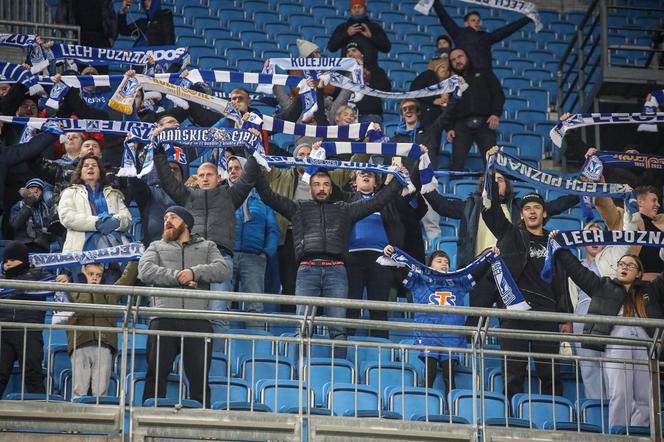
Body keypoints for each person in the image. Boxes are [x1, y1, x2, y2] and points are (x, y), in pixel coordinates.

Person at [245, 157, 409, 349]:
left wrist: (398, 179)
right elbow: (267, 195)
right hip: (307, 270)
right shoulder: (298, 209)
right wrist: (254, 160)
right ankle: (301, 374)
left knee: (339, 331)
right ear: (311, 188)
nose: (321, 188)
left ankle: (339, 373)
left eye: (325, 184)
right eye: (316, 184)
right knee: (303, 329)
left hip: (337, 271)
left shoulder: (344, 209)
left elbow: (378, 201)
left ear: (332, 188)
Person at [482, 150, 571, 400]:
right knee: (513, 375)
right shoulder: (510, 235)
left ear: (545, 214)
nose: (532, 212)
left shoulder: (556, 242)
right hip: (515, 312)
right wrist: (490, 171)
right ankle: (510, 422)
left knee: (550, 375)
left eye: (537, 208)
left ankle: (554, 424)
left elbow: (561, 282)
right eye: (527, 208)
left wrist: (565, 316)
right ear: (521, 214)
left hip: (547, 313)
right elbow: (489, 209)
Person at [151, 131, 254, 346]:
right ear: (196, 179)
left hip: (220, 260)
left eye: (210, 174)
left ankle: (215, 361)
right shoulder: (186, 196)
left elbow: (249, 177)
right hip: (191, 259)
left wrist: (253, 145)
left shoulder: (230, 196)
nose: (205, 178)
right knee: (190, 315)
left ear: (219, 177)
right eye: (201, 175)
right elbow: (167, 179)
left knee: (218, 312)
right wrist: (159, 148)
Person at [553, 248, 664, 427]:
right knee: (620, 392)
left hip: (645, 345)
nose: (624, 267)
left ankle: (639, 433)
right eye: (621, 264)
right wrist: (561, 250)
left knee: (644, 396)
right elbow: (578, 272)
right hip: (617, 342)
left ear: (639, 273)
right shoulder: (603, 286)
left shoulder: (650, 290)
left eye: (630, 265)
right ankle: (618, 433)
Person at [138, 205, 228, 406]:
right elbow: (144, 270)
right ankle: (148, 419)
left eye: (173, 217)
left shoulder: (207, 246)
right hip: (163, 317)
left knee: (199, 380)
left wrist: (194, 272)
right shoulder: (155, 246)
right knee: (155, 375)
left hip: (197, 320)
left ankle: (200, 424)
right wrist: (178, 277)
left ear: (186, 223)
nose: (167, 221)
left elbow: (222, 269)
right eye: (165, 218)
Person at [382, 246, 494, 394]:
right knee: (430, 375)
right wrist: (391, 255)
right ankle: (426, 406)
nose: (444, 264)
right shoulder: (420, 281)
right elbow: (400, 271)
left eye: (446, 262)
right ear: (429, 266)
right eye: (439, 261)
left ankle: (451, 412)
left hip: (451, 337)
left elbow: (476, 274)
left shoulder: (458, 282)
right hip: (429, 335)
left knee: (449, 378)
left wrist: (488, 259)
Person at [563, 217, 637, 400]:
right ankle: (597, 414)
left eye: (599, 235)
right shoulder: (575, 266)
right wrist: (569, 320)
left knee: (613, 368)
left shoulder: (613, 255)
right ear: (581, 241)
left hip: (610, 313)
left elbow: (630, 235)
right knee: (589, 369)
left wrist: (630, 214)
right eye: (590, 235)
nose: (595, 239)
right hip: (582, 318)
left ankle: (617, 415)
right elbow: (569, 298)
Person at [343, 169, 408, 338]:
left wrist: (402, 177)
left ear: (376, 183)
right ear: (354, 182)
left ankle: (380, 350)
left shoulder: (386, 202)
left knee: (379, 308)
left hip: (381, 260)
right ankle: (345, 346)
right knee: (351, 306)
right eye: (361, 174)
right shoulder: (345, 200)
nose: (366, 176)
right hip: (352, 259)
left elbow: (404, 217)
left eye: (370, 175)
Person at [0, 242, 68, 397]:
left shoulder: (40, 276)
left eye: (11, 259)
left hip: (29, 331)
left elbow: (57, 283)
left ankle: (41, 418)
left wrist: (64, 278)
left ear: (22, 259)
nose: (7, 263)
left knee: (33, 376)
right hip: (3, 331)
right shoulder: (1, 280)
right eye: (5, 260)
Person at [65, 261, 138, 398]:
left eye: (98, 275)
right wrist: (63, 283)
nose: (94, 278)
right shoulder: (73, 292)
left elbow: (126, 280)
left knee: (101, 391)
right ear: (83, 274)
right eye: (91, 274)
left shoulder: (109, 294)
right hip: (80, 343)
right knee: (79, 390)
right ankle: (77, 418)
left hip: (104, 344)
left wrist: (135, 260)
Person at [591, 149, 664, 280]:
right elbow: (602, 203)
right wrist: (597, 174)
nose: (658, 205)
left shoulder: (662, 220)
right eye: (654, 200)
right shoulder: (620, 216)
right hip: (631, 286)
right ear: (639, 202)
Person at [227, 156, 280, 327]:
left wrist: (266, 253)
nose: (233, 171)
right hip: (227, 256)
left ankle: (254, 350)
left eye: (237, 167)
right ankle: (218, 350)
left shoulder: (263, 200)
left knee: (255, 307)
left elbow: (273, 230)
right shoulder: (222, 196)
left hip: (254, 258)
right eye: (230, 169)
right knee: (221, 305)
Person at [57, 154, 132, 252]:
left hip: (116, 245)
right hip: (81, 249)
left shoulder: (113, 194)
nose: (90, 167)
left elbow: (127, 218)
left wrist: (116, 222)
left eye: (94, 165)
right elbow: (67, 217)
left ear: (100, 172)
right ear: (80, 172)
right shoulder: (69, 192)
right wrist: (97, 223)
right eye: (86, 165)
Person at [446, 48, 504, 171]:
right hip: (460, 126)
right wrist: (449, 127)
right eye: (453, 60)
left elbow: (498, 95)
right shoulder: (452, 82)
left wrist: (495, 114)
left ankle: (493, 189)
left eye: (460, 57)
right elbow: (450, 107)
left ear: (467, 57)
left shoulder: (485, 73)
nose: (457, 61)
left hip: (485, 123)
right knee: (456, 165)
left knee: (492, 164)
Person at [431, 1, 532, 70]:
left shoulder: (486, 37)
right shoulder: (458, 33)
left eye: (478, 21)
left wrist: (527, 18)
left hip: (485, 77)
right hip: (466, 76)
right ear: (466, 23)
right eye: (473, 20)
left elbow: (507, 30)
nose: (476, 22)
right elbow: (444, 17)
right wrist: (435, 2)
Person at [327, 0, 391, 68]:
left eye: (359, 7)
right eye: (354, 7)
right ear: (350, 10)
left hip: (370, 71)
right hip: (348, 70)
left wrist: (371, 37)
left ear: (365, 8)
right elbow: (331, 47)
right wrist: (346, 34)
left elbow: (386, 48)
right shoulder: (343, 27)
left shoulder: (374, 27)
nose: (357, 10)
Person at [344, 42, 390, 123]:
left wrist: (361, 71)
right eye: (348, 52)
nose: (350, 54)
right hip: (346, 116)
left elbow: (386, 89)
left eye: (354, 51)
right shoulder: (342, 73)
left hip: (370, 115)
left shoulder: (376, 71)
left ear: (362, 54)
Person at [9, 178, 54, 252]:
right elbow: (15, 224)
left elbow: (51, 227)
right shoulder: (18, 206)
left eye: (39, 189)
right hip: (22, 245)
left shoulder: (46, 207)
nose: (35, 191)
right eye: (32, 188)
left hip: (42, 247)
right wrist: (28, 205)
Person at [410, 55, 453, 128]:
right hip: (424, 117)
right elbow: (415, 90)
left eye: (448, 69)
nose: (445, 70)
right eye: (443, 67)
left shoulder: (448, 85)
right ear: (436, 68)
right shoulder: (429, 74)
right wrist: (433, 100)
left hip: (437, 120)